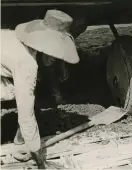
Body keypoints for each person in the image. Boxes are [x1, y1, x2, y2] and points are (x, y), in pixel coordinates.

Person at [1, 9, 79, 168]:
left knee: (19, 93)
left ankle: (19, 143)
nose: (54, 57)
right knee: (20, 99)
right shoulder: (26, 64)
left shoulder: (16, 39)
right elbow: (26, 114)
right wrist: (40, 160)